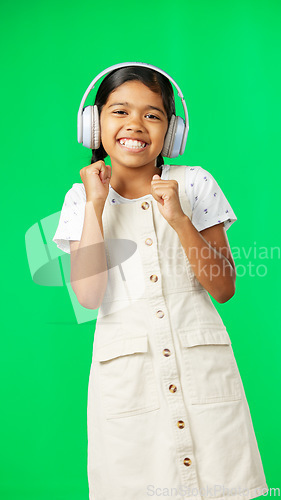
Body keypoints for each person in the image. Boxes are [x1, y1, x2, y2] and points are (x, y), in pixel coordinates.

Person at [52, 64, 268, 500]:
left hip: (203, 377)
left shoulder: (194, 183)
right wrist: (96, 205)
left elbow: (224, 288)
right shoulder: (80, 199)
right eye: (119, 111)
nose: (135, 124)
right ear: (94, 124)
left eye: (152, 115)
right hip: (128, 387)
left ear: (172, 132)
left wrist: (179, 219)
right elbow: (89, 296)